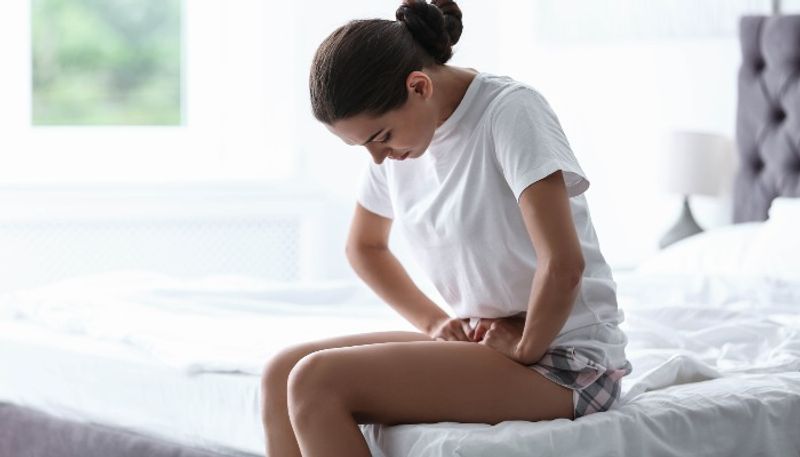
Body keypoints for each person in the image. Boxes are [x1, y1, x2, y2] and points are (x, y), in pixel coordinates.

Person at [260, 1, 632, 456]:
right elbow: (365, 247)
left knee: (316, 381)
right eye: (363, 147)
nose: (377, 158)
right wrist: (436, 322)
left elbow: (563, 264)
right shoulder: (397, 148)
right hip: (487, 342)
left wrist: (526, 347)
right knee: (280, 373)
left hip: (566, 360)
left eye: (380, 137)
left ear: (419, 86)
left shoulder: (509, 112)